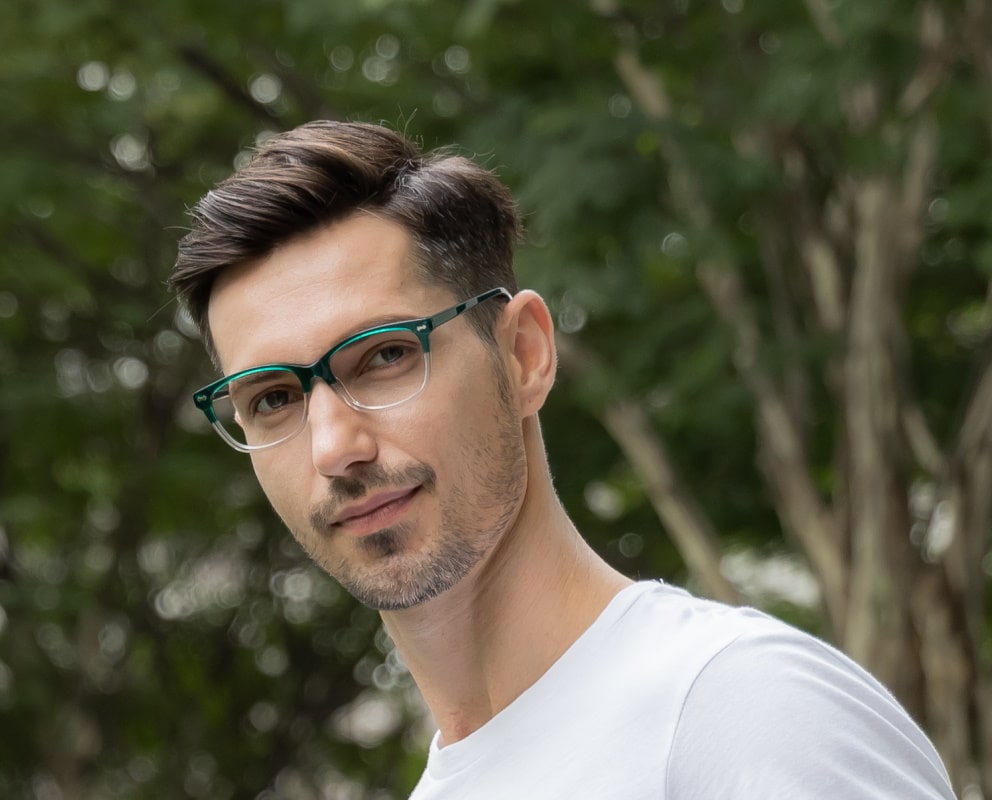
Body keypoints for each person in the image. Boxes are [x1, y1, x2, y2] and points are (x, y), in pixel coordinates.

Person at [169, 120, 955, 799]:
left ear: (524, 355)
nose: (336, 447)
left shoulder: (738, 709)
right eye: (272, 398)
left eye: (383, 357)